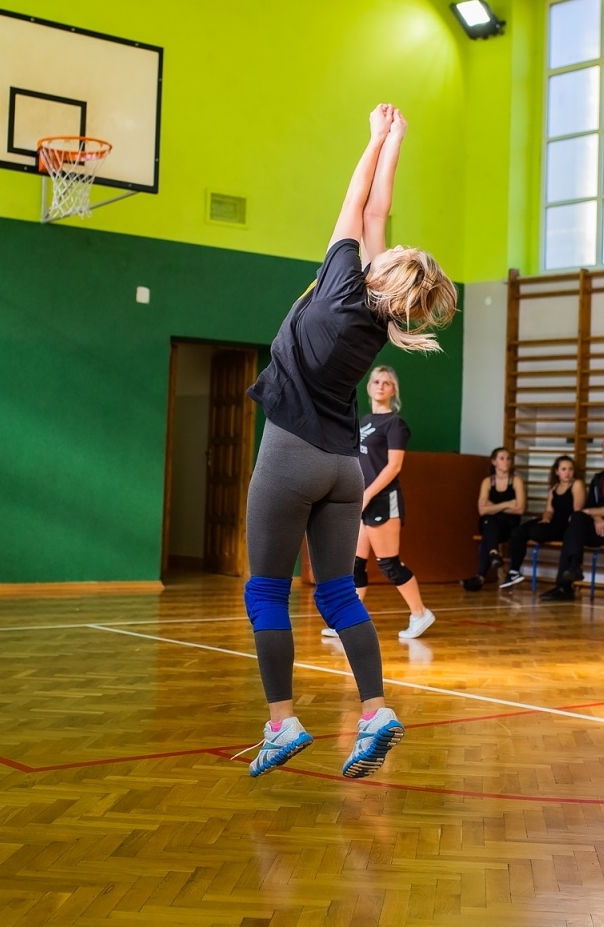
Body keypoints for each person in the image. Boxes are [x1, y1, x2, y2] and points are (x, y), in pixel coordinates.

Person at [239, 103, 457, 780]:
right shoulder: (375, 325)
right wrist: (397, 140)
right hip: (342, 465)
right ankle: (374, 709)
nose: (383, 242)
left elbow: (357, 202)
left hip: (290, 453)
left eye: (389, 253)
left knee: (266, 594)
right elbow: (378, 213)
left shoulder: (339, 286)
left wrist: (370, 139)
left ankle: (281, 723)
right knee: (339, 592)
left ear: (383, 276)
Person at [322, 365, 434, 640]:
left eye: (387, 382)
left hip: (383, 500)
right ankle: (350, 621)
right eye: (376, 381)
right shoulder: (365, 420)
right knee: (355, 565)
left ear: (393, 390)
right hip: (362, 500)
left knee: (388, 564)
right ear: (369, 386)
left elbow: (394, 467)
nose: (381, 386)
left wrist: (368, 494)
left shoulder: (395, 424)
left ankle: (420, 613)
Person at [544, 436, 604, 601]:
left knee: (573, 530)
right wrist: (597, 518)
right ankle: (569, 576)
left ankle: (567, 580)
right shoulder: (597, 478)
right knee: (574, 523)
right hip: (598, 526)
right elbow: (587, 507)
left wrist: (595, 515)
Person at [502, 455, 583, 589]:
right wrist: (546, 518)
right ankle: (514, 571)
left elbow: (577, 510)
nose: (567, 473)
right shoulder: (555, 488)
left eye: (570, 469)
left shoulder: (576, 485)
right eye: (564, 469)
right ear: (557, 471)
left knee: (536, 532)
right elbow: (549, 510)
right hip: (554, 521)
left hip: (566, 525)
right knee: (518, 532)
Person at [463, 446, 525, 591]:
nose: (506, 462)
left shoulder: (516, 481)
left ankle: (481, 575)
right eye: (502, 459)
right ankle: (493, 554)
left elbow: (520, 509)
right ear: (494, 462)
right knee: (488, 521)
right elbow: (482, 509)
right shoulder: (487, 482)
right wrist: (508, 504)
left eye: (508, 459)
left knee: (488, 530)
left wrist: (494, 506)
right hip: (491, 523)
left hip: (509, 525)